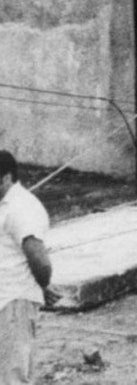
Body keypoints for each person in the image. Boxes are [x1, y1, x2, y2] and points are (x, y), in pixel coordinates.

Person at [0, 151, 52, 384]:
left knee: (13, 375)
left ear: (6, 177)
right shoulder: (4, 205)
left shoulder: (22, 207)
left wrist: (43, 286)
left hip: (13, 303)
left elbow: (39, 259)